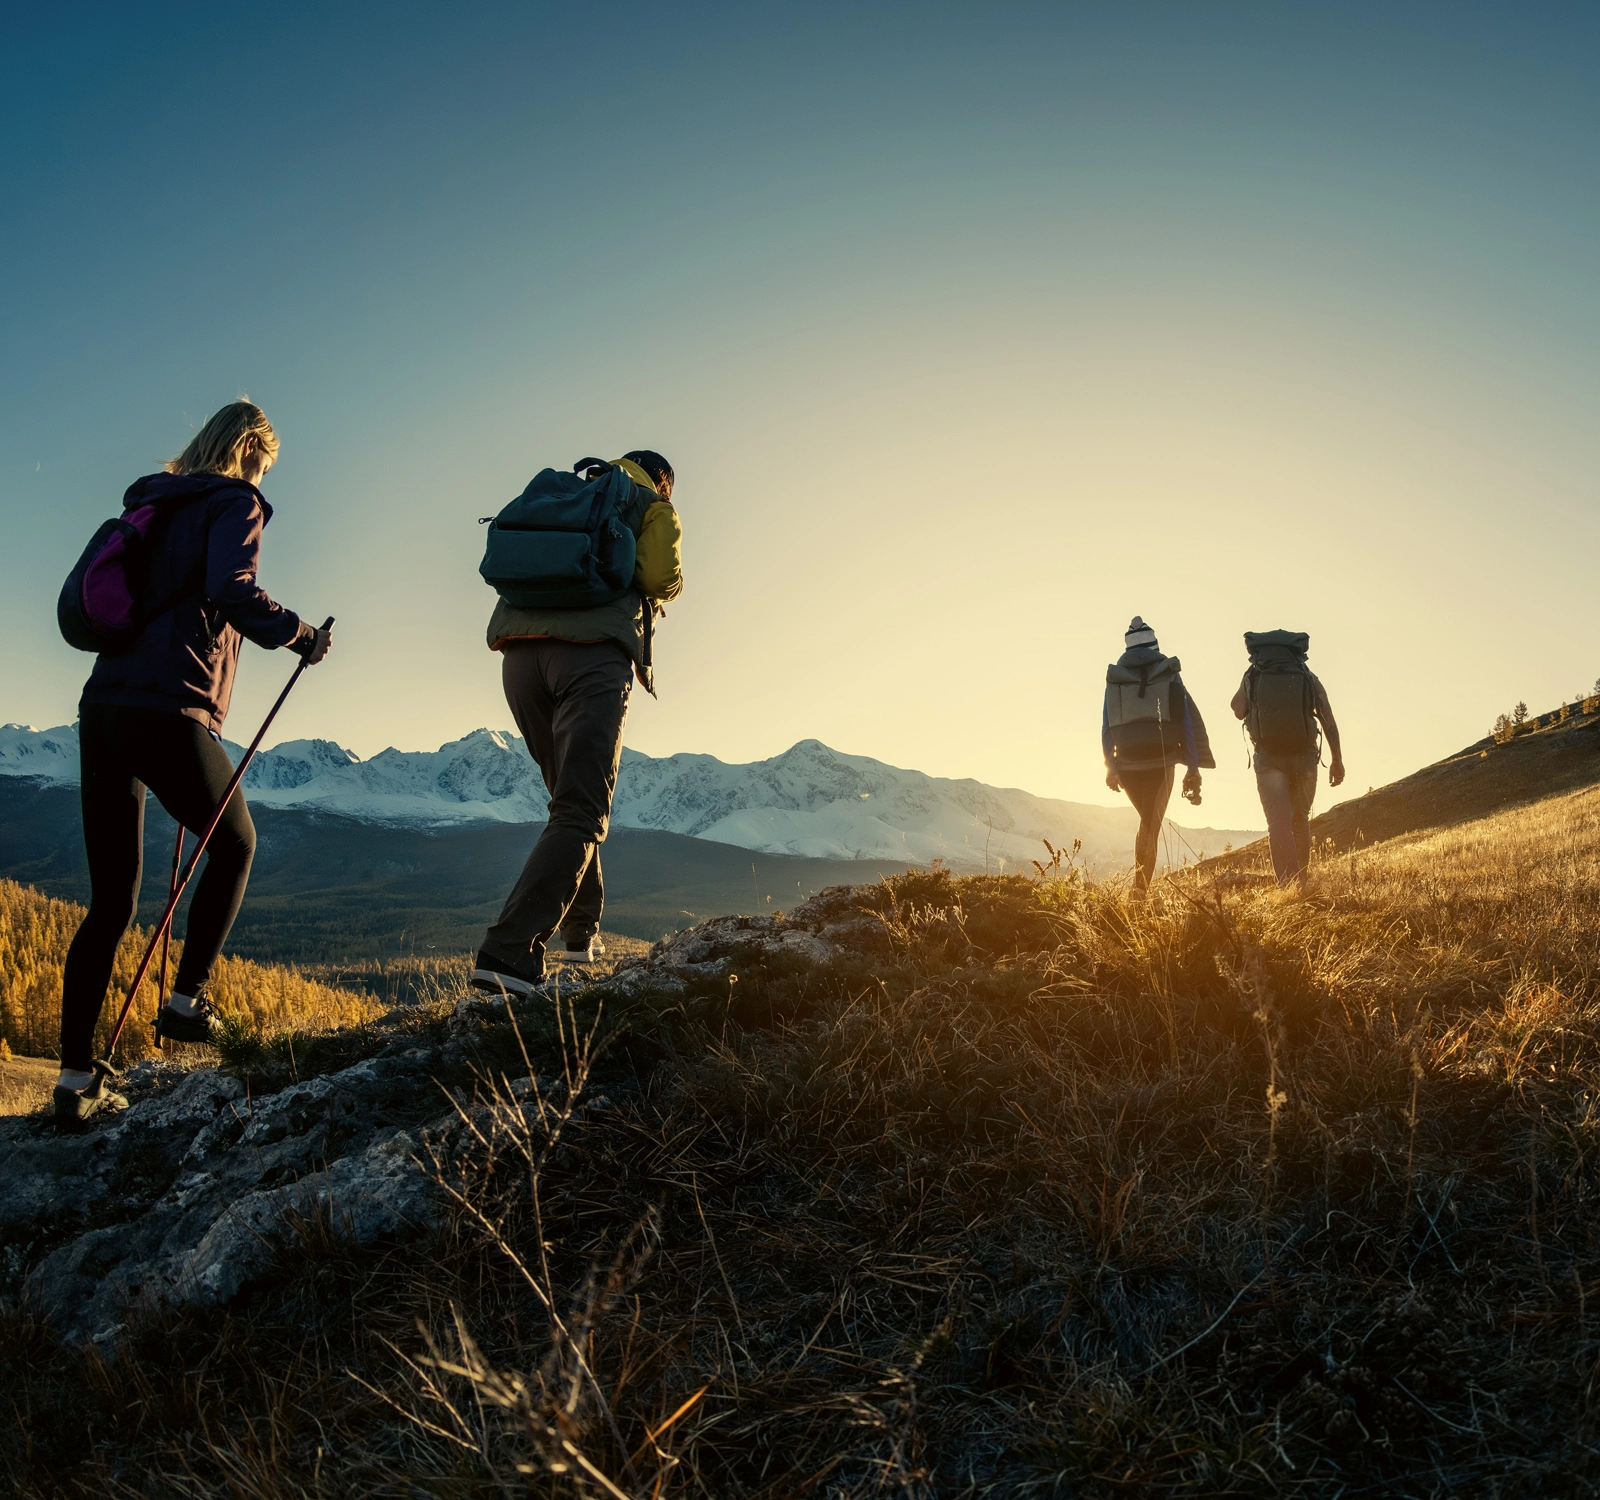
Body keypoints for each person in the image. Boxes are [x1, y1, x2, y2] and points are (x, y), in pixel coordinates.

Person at [56, 402, 332, 1126]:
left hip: (105, 705)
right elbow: (230, 590)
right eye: (263, 464)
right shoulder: (235, 501)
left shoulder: (153, 502)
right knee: (237, 843)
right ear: (247, 448)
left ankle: (74, 1078)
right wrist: (300, 635)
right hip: (168, 705)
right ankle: (186, 1003)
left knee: (110, 902)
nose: (262, 477)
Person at [471, 451, 682, 997]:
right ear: (663, 482)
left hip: (519, 659)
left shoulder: (566, 491)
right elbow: (660, 577)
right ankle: (510, 954)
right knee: (582, 809)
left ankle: (579, 932)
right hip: (590, 657)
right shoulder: (652, 505)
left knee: (567, 800)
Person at [1103, 616, 1215, 891]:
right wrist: (1193, 765)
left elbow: (1106, 726)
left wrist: (1111, 767)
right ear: (1154, 645)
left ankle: (1138, 890)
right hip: (1161, 761)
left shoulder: (1117, 679)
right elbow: (1185, 722)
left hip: (1127, 765)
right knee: (1150, 824)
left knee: (1147, 822)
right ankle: (1139, 893)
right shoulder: (1168, 674)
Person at [1229, 629, 1344, 886]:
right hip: (1304, 757)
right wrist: (1337, 760)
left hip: (1269, 758)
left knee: (1278, 824)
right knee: (1299, 820)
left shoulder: (1254, 674)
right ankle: (1301, 882)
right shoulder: (1306, 675)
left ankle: (1286, 885)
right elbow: (1329, 721)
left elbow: (1238, 710)